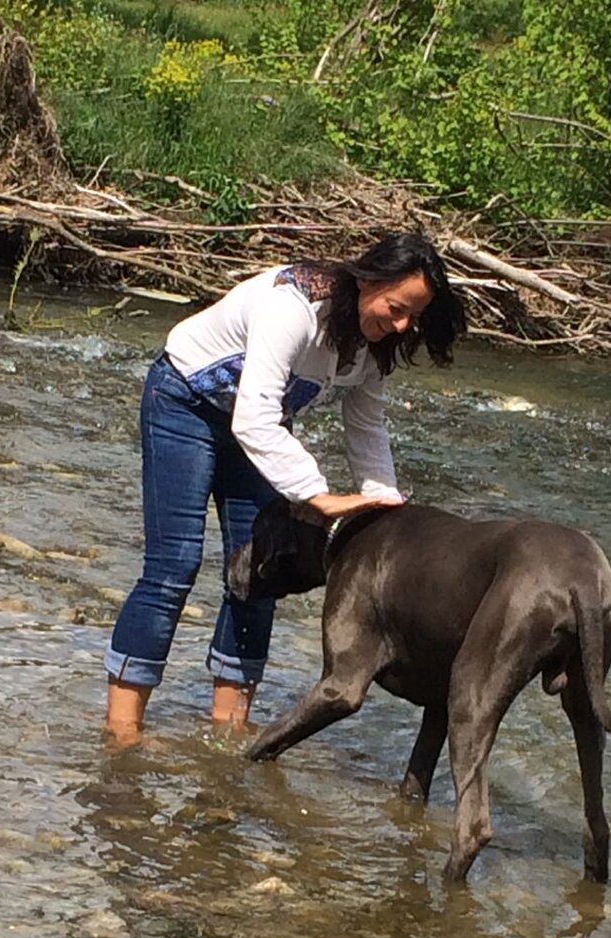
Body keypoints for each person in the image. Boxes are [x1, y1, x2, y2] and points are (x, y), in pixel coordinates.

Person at [104, 230, 467, 744]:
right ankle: (123, 732)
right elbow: (253, 418)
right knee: (174, 567)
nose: (402, 324)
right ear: (368, 281)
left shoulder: (376, 347)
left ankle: (229, 729)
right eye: (396, 308)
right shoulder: (293, 307)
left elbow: (366, 426)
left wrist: (385, 502)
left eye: (414, 316)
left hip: (259, 424)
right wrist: (316, 494)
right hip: (184, 403)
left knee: (261, 569)